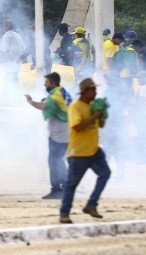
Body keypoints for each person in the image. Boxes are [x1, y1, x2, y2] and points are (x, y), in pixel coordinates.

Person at [60, 78, 111, 224]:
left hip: (94, 150)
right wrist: (95, 115)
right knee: (71, 185)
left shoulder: (92, 106)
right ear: (85, 91)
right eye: (93, 90)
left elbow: (100, 125)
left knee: (105, 173)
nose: (95, 92)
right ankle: (64, 213)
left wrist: (102, 114)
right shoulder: (75, 106)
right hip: (79, 152)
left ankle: (91, 205)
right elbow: (77, 127)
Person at [25, 72, 72, 199]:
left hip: (60, 131)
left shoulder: (55, 95)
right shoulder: (60, 91)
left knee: (54, 160)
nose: (44, 85)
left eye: (46, 83)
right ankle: (67, 185)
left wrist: (30, 101)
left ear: (53, 83)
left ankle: (57, 190)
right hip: (65, 129)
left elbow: (43, 106)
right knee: (59, 159)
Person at [0, 20, 26, 93]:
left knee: (9, 79)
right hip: (17, 61)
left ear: (8, 27)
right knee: (13, 79)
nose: (2, 28)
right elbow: (23, 48)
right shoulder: (17, 35)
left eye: (3, 26)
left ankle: (9, 96)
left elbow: (4, 49)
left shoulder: (6, 35)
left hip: (10, 62)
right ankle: (14, 96)